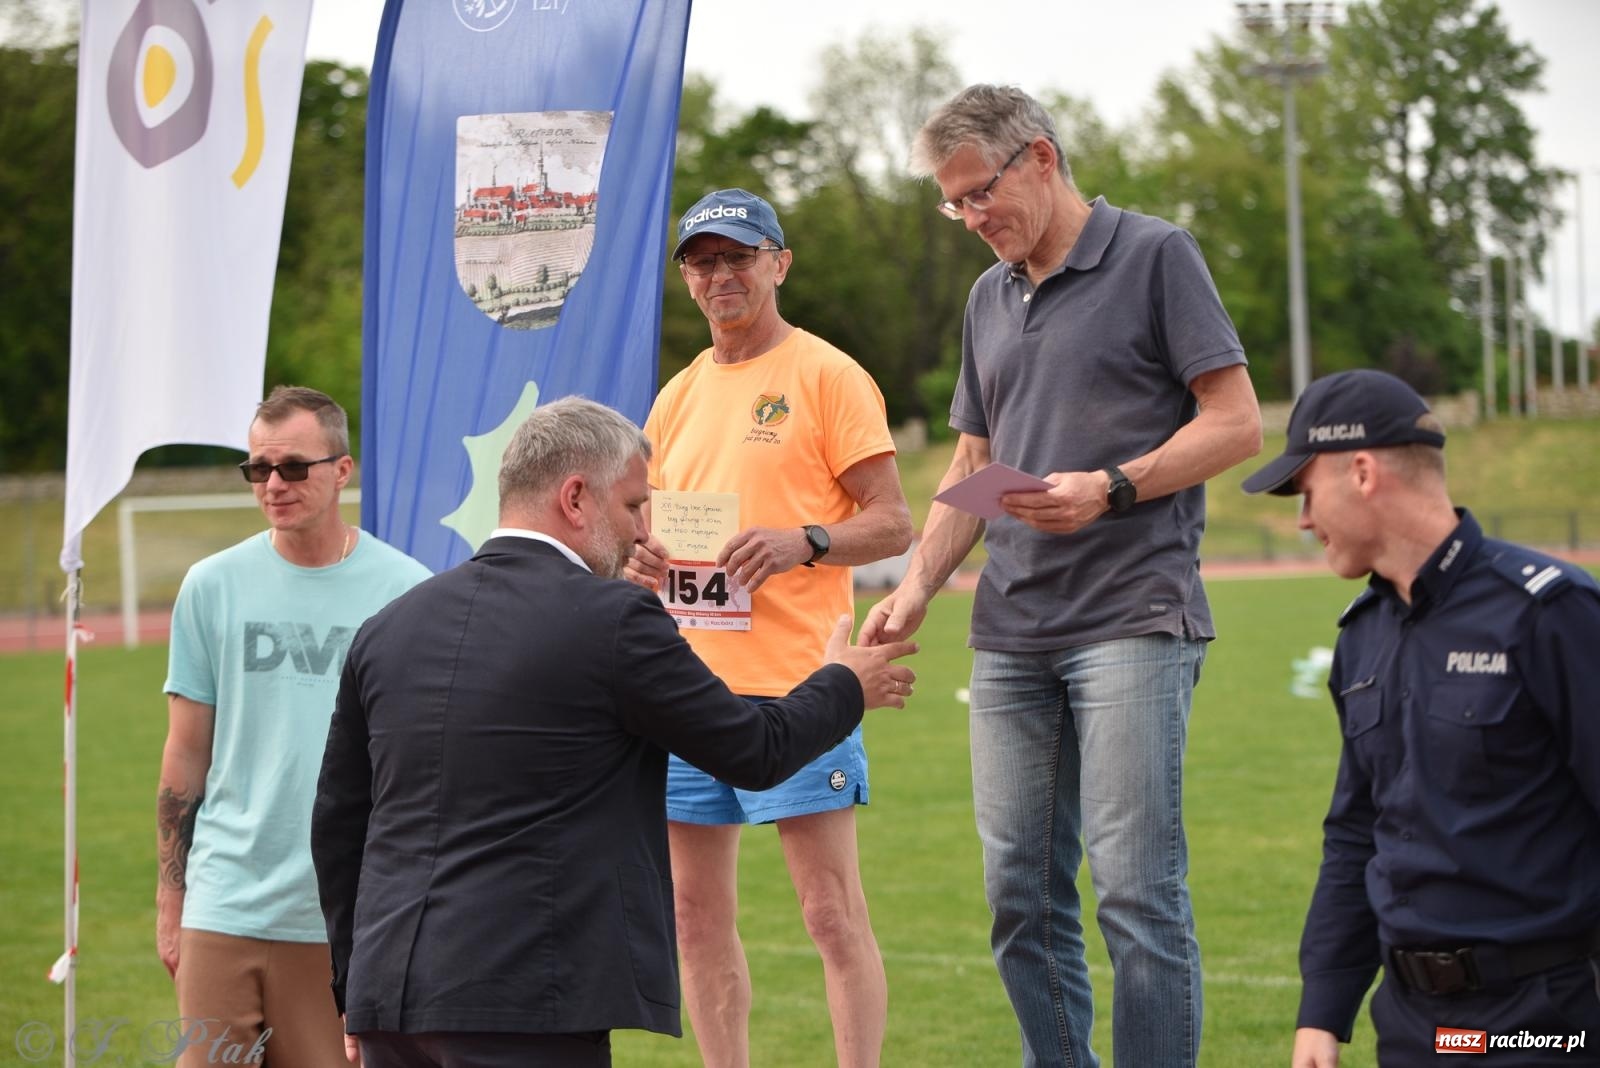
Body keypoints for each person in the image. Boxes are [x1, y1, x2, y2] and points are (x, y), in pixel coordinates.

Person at [310, 396, 918, 1068]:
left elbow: (337, 826)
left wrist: (351, 988)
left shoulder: (390, 626)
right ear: (575, 498)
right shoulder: (616, 619)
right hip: (526, 1001)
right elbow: (753, 750)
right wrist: (845, 684)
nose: (642, 534)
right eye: (632, 507)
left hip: (387, 1001)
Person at [861, 85, 1263, 1068]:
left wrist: (1112, 488)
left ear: (1039, 159)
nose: (968, 219)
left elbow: (1237, 423)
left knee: (1134, 892)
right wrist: (914, 585)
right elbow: (972, 465)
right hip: (1009, 632)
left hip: (1132, 615)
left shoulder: (1156, 256)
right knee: (1017, 897)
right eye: (951, 206)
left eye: (977, 195)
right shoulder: (987, 297)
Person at [623, 188, 913, 1068]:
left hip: (800, 684)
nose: (721, 276)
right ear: (686, 279)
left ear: (778, 264)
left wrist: (807, 541)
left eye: (738, 257)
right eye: (703, 261)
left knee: (829, 913)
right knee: (693, 915)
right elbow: (648, 527)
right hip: (686, 688)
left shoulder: (828, 375)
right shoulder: (674, 398)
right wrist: (642, 559)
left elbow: (894, 521)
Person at [1239, 369, 1600, 1068]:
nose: (1304, 521)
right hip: (1413, 1027)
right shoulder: (1363, 636)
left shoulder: (1549, 614)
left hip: (1545, 1020)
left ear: (1364, 472)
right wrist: (1324, 1008)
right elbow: (1356, 832)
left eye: (1305, 493)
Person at [157, 385, 431, 1067]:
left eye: (293, 467)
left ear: (343, 470)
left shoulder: (406, 592)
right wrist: (172, 900)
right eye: (258, 469)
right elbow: (186, 754)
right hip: (222, 907)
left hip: (343, 917)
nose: (273, 484)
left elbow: (422, 769)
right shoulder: (211, 585)